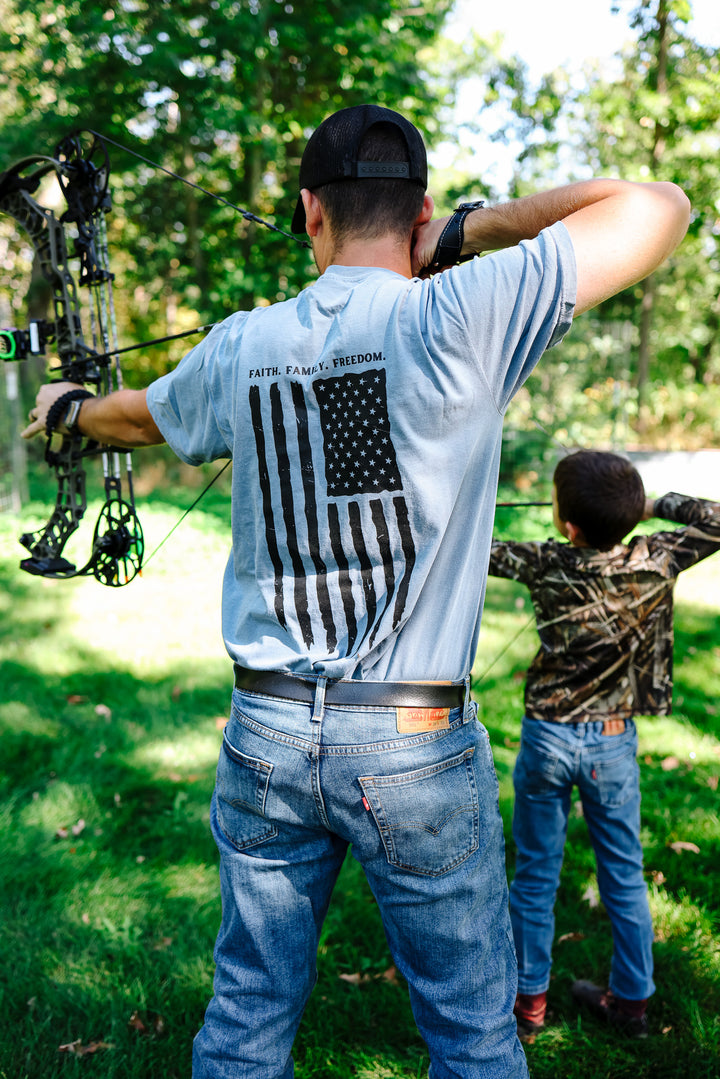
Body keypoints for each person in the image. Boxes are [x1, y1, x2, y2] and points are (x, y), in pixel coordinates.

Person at [21, 104, 690, 1078]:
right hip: (416, 744)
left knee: (245, 1023)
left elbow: (131, 418)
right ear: (417, 210)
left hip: (268, 733)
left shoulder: (245, 345)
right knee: (470, 1037)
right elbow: (658, 204)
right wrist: (471, 229)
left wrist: (69, 409)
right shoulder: (464, 311)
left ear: (307, 214)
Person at [488, 451, 720, 1042]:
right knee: (623, 874)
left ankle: (528, 1005)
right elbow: (716, 519)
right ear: (629, 514)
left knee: (536, 873)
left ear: (567, 524)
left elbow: (473, 550)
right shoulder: (658, 556)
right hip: (612, 744)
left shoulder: (545, 561)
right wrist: (652, 505)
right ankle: (631, 1006)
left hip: (548, 737)